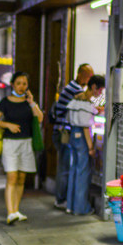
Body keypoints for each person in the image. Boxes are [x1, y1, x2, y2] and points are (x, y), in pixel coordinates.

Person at [0, 71, 44, 225]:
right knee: (12, 177)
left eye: (24, 84)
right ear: (13, 84)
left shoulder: (29, 103)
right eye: (19, 83)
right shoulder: (5, 102)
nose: (21, 87)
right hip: (10, 143)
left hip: (26, 143)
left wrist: (32, 102)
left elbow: (40, 118)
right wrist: (8, 125)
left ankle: (16, 210)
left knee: (21, 178)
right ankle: (10, 212)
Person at [50, 64, 93, 210]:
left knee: (67, 167)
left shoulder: (70, 86)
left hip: (61, 132)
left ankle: (64, 199)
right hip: (65, 134)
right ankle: (61, 199)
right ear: (80, 74)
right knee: (65, 167)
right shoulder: (76, 90)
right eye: (88, 75)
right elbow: (86, 108)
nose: (89, 79)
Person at [64, 75, 105, 215]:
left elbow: (70, 118)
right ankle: (81, 208)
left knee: (74, 170)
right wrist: (91, 147)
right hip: (82, 138)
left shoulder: (76, 98)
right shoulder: (87, 103)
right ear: (94, 87)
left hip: (72, 137)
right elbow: (85, 127)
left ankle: (71, 205)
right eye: (100, 90)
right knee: (83, 173)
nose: (100, 93)